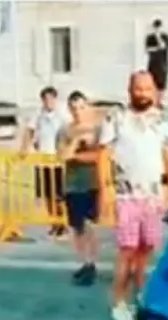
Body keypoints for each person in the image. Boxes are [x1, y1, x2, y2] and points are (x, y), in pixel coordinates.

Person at [99, 71, 168, 320]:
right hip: (126, 194)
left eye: (147, 89)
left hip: (153, 196)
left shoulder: (162, 119)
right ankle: (118, 301)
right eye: (138, 88)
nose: (143, 93)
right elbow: (104, 155)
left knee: (145, 251)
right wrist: (105, 189)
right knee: (127, 250)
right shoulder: (117, 117)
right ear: (130, 90)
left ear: (155, 91)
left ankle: (141, 300)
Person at [57, 90, 102, 286]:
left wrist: (75, 156)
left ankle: (92, 264)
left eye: (81, 107)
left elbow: (99, 156)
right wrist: (76, 142)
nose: (78, 112)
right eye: (74, 108)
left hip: (92, 183)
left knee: (90, 225)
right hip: (72, 185)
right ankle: (85, 262)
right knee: (77, 227)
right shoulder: (65, 130)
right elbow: (62, 155)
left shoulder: (98, 130)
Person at [20, 86, 69, 239]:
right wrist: (25, 147)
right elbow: (29, 131)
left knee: (59, 195)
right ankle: (54, 223)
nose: (49, 102)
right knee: (47, 195)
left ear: (55, 99)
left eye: (51, 99)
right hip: (42, 160)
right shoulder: (38, 115)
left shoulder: (62, 116)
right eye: (46, 99)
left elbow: (69, 133)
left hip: (57, 161)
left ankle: (63, 224)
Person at [145, 19, 168, 95]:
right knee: (152, 83)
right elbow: (148, 49)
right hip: (152, 64)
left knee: (162, 86)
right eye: (156, 28)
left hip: (163, 64)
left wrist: (158, 37)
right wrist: (157, 48)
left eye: (158, 28)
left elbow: (163, 46)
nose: (157, 29)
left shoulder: (165, 37)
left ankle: (160, 99)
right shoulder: (150, 38)